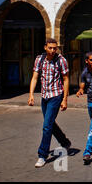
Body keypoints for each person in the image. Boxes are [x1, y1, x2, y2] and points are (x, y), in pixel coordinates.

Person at [28, 38, 71, 168]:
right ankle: (64, 142)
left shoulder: (61, 60)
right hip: (44, 96)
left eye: (55, 48)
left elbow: (66, 79)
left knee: (46, 126)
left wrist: (65, 99)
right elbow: (35, 77)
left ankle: (42, 155)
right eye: (50, 48)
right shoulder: (39, 59)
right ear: (45, 47)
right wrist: (31, 95)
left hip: (56, 96)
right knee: (50, 123)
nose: (53, 50)